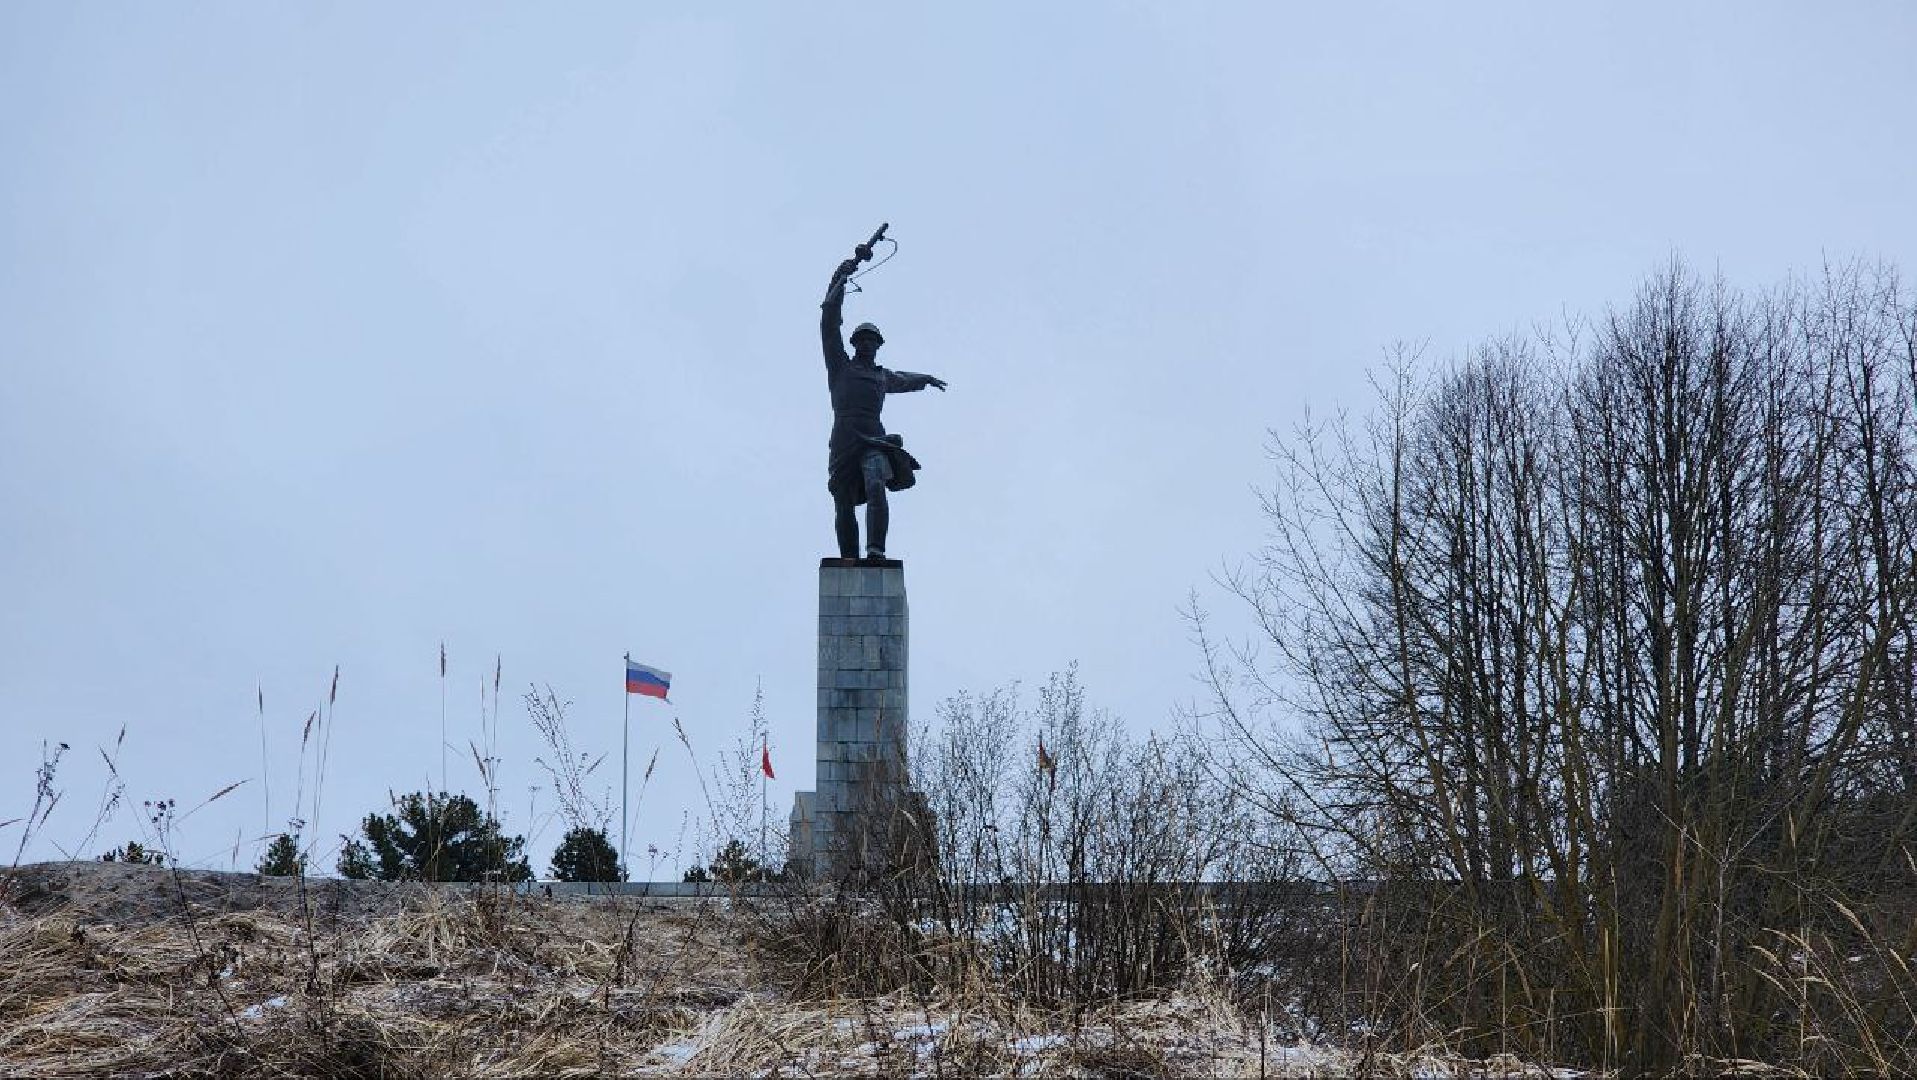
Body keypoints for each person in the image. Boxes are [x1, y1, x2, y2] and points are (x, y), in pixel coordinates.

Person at [820, 250, 946, 560]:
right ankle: (848, 557)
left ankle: (876, 549)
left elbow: (903, 379)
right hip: (844, 438)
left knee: (876, 483)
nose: (866, 344)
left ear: (877, 345)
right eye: (861, 339)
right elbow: (828, 322)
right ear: (854, 344)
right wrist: (842, 274)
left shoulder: (881, 377)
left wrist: (926, 378)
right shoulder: (840, 367)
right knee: (844, 501)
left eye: (871, 340)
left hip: (873, 438)